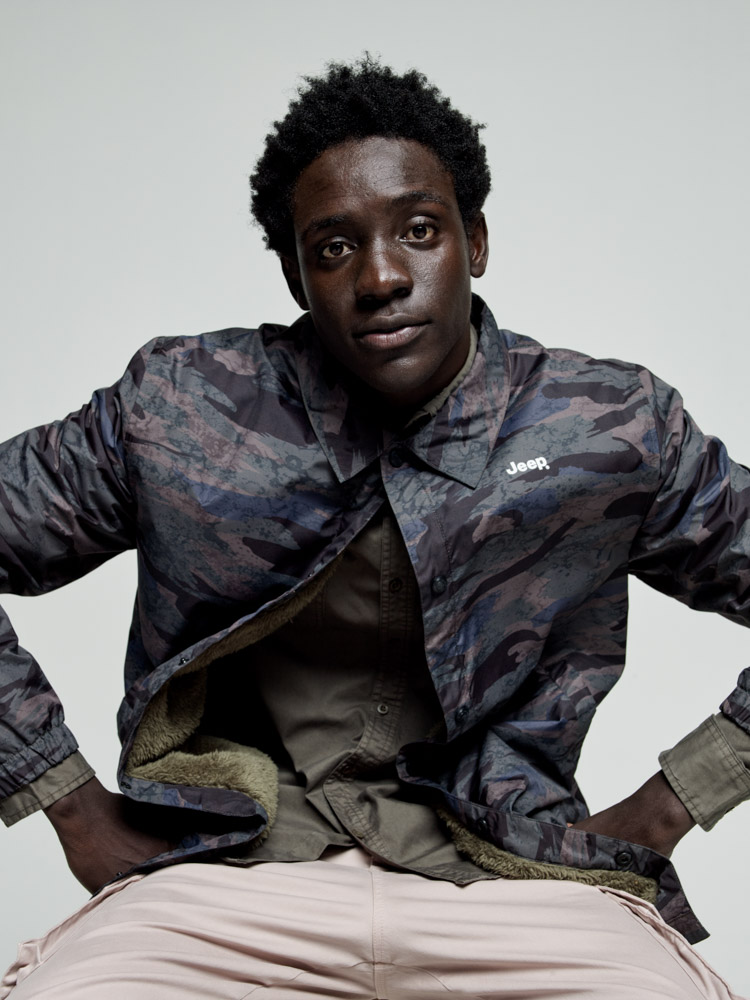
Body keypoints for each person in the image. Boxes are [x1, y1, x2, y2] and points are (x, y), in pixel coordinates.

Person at [1, 58, 748, 999]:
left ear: (475, 242)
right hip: (225, 871)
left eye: (420, 231)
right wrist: (66, 802)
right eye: (334, 247)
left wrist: (675, 800)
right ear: (296, 274)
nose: (383, 276)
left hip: (514, 878)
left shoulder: (609, 426)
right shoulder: (181, 411)